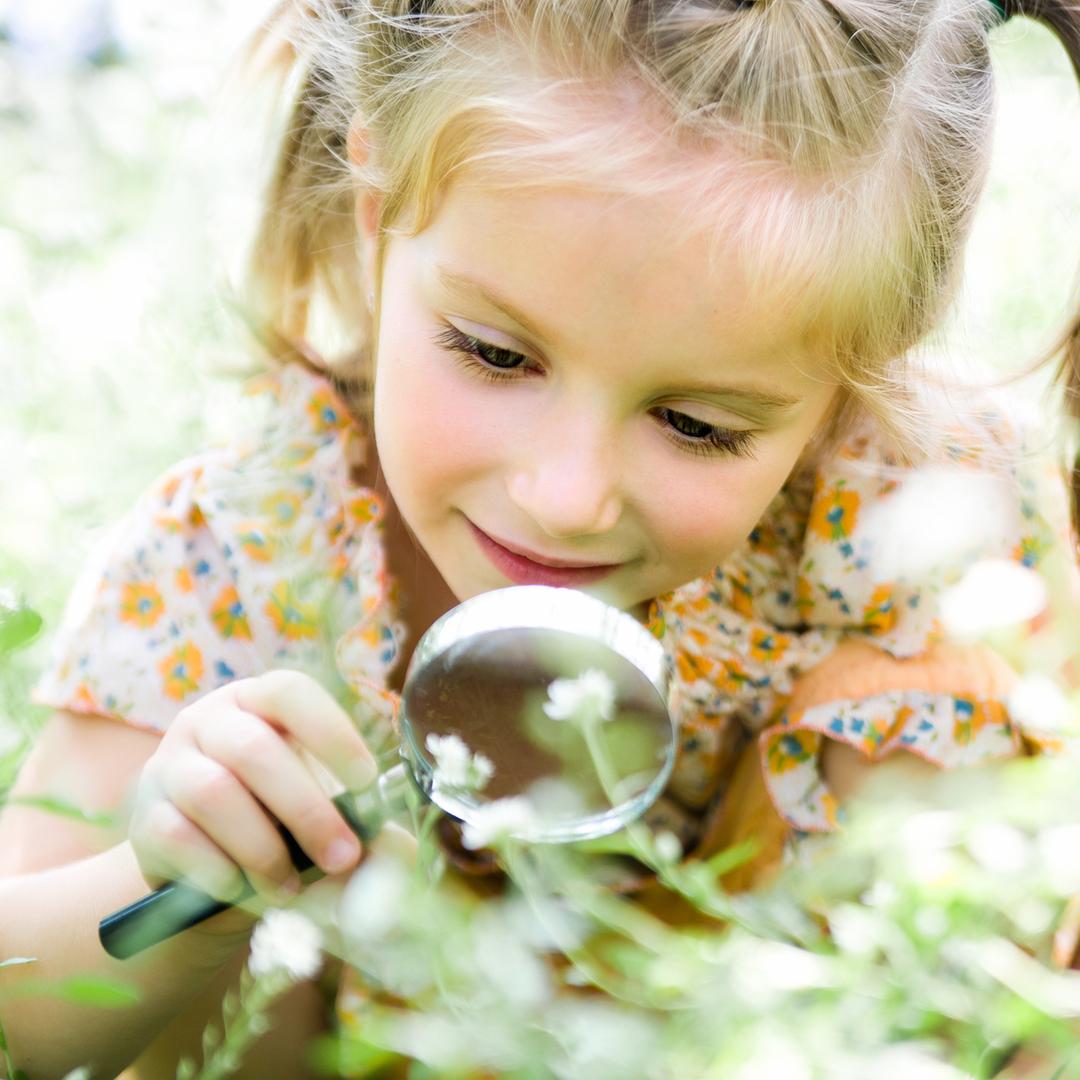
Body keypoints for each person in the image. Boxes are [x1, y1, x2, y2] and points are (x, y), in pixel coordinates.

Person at [1, 0, 1078, 1075]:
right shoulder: (251, 556)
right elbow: (22, 1015)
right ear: (379, 211)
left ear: (850, 383)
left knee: (957, 683)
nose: (566, 497)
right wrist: (171, 879)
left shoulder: (916, 520)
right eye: (496, 356)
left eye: (697, 425)